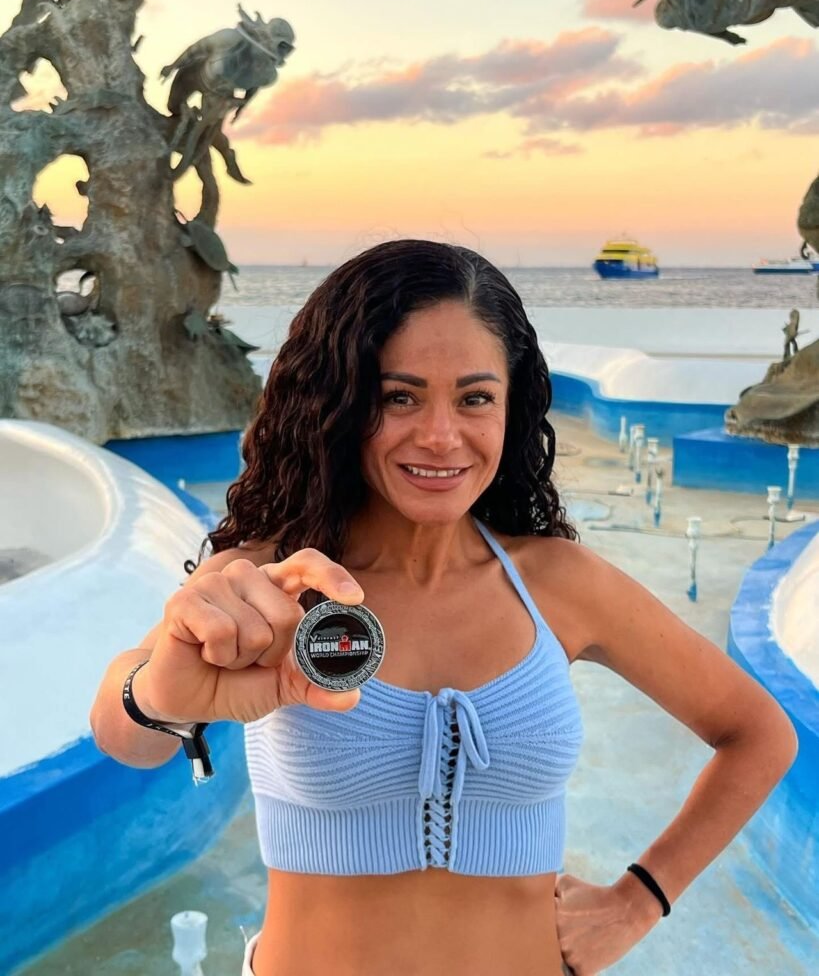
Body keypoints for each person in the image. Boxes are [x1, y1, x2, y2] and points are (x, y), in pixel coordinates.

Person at [90, 239, 798, 976]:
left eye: (473, 398)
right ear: (342, 404)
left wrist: (640, 899)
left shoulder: (558, 584)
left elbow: (758, 733)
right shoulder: (273, 580)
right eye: (399, 397)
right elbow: (123, 733)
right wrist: (160, 692)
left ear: (511, 408)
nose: (439, 436)